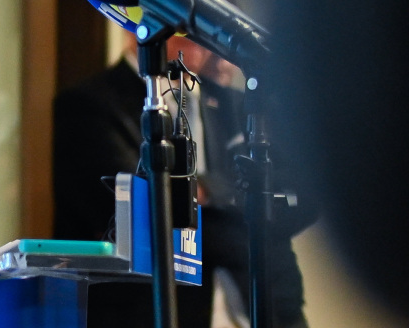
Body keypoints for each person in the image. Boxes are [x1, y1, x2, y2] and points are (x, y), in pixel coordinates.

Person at [54, 28, 315, 328]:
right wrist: (249, 210)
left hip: (270, 309)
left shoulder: (241, 105)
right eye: (178, 21)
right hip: (154, 313)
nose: (193, 32)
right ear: (131, 25)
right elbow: (140, 215)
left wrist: (207, 190)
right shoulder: (87, 105)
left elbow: (305, 195)